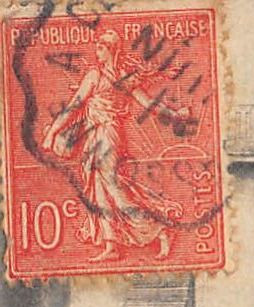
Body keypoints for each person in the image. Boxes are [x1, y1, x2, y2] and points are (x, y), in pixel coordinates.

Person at [38, 30, 192, 262]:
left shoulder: (117, 77)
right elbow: (74, 107)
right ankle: (111, 245)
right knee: (98, 191)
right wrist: (52, 132)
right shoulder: (96, 76)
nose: (97, 51)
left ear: (112, 50)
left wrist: (174, 115)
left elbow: (148, 104)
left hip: (108, 134)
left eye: (101, 47)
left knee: (112, 187)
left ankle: (159, 229)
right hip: (94, 136)